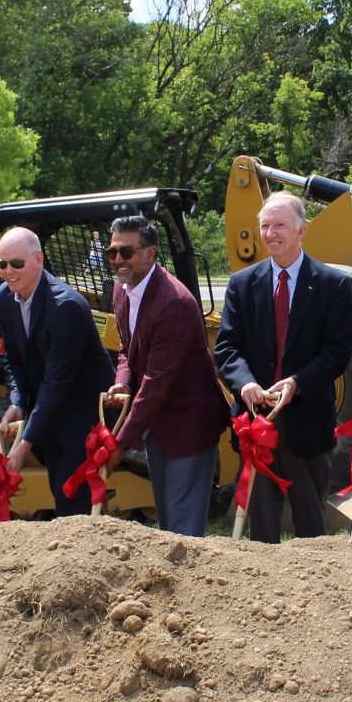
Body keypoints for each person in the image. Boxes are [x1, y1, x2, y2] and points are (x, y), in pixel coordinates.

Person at [215, 191, 352, 543]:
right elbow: (227, 347)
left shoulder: (332, 285)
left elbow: (337, 352)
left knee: (311, 529)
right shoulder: (242, 284)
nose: (271, 233)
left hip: (308, 423)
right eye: (265, 226)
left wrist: (296, 383)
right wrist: (244, 384)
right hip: (257, 423)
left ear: (301, 231)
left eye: (280, 225)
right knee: (261, 529)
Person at [103, 215, 227, 537]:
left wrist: (120, 443)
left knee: (182, 529)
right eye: (111, 252)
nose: (117, 260)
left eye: (126, 252)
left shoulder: (173, 303)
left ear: (150, 253)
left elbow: (155, 384)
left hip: (190, 424)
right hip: (157, 424)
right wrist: (121, 379)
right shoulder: (121, 289)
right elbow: (127, 351)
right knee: (167, 520)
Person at [0, 226, 116, 517]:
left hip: (83, 414)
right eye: (1, 264)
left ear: (38, 259)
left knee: (72, 495)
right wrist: (17, 402)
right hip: (49, 412)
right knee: (59, 491)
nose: (8, 271)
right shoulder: (3, 298)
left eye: (16, 264)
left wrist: (24, 445)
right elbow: (14, 359)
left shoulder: (67, 307)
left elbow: (56, 383)